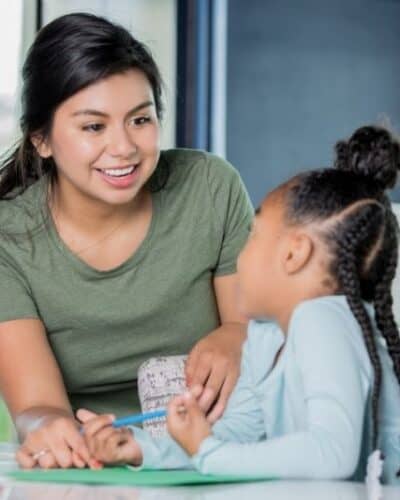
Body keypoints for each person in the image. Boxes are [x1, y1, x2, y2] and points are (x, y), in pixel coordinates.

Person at [0, 12, 253, 469]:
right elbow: (38, 406)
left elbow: (254, 326)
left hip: (213, 452)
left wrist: (236, 336)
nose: (124, 148)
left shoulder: (210, 188)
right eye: (93, 127)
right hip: (93, 465)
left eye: (140, 119)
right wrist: (46, 428)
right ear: (42, 140)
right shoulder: (8, 239)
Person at [78, 126, 400, 484]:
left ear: (294, 254)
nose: (240, 256)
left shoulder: (323, 319)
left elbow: (332, 455)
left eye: (253, 234)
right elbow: (239, 437)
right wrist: (143, 449)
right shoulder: (265, 336)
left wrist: (208, 452)